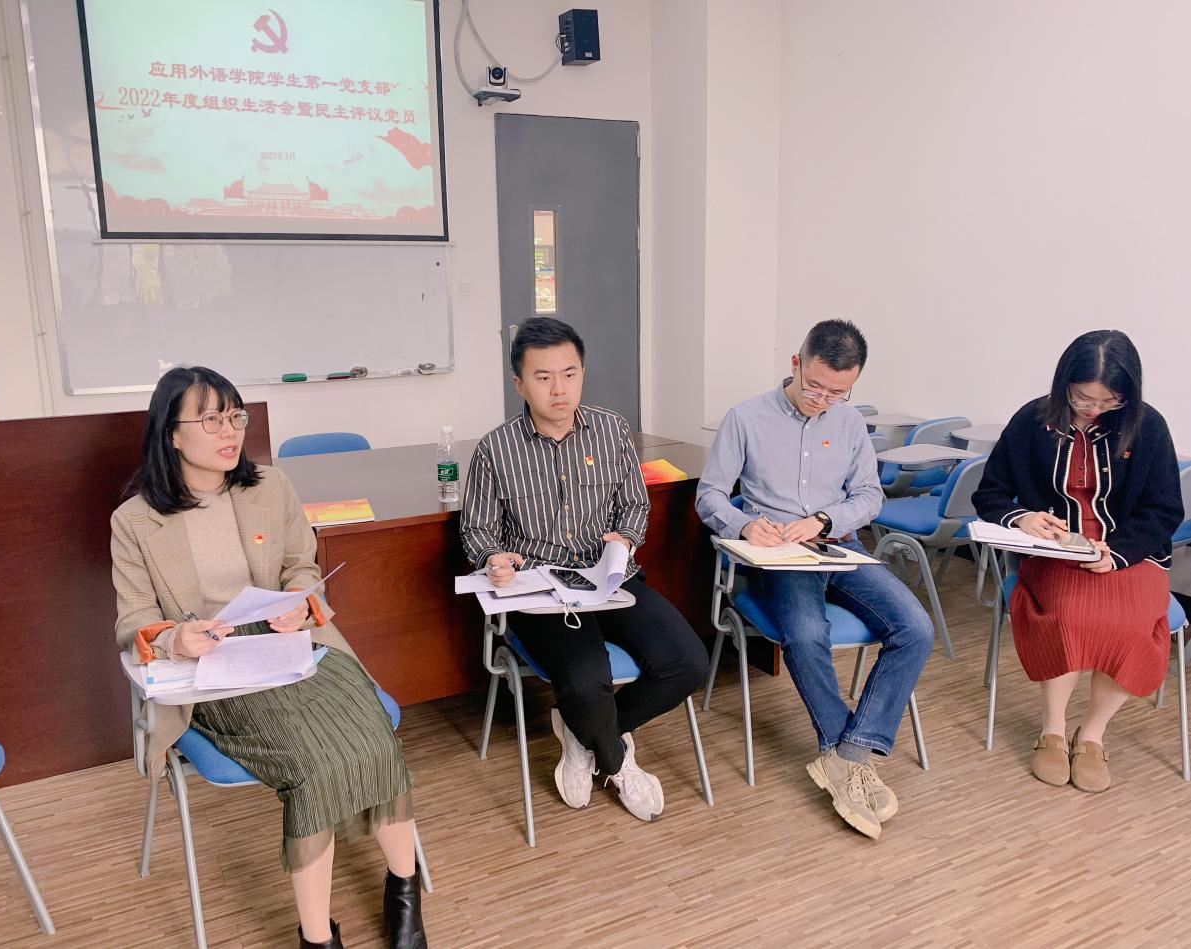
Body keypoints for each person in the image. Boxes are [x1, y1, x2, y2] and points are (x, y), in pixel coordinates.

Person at [110, 367, 426, 949]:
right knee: (313, 765)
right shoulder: (134, 521)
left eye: (236, 416)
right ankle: (316, 936)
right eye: (211, 419)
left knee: (376, 737)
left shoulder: (270, 486)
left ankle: (404, 892)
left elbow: (301, 567)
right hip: (214, 667)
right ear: (171, 433)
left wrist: (301, 603)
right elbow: (133, 623)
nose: (230, 431)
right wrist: (176, 638)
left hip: (293, 645)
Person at [460, 317, 709, 822]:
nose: (559, 389)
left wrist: (626, 538)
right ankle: (617, 762)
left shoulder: (611, 430)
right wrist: (492, 557)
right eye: (543, 377)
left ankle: (585, 732)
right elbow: (477, 530)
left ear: (582, 374)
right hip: (542, 590)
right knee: (584, 679)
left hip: (609, 576)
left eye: (569, 374)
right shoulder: (495, 449)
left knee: (688, 662)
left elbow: (634, 505)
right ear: (519, 384)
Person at [696, 319, 934, 840]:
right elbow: (709, 495)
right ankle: (846, 757)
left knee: (916, 628)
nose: (822, 400)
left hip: (838, 545)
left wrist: (826, 520)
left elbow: (869, 495)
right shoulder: (746, 418)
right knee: (806, 634)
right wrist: (744, 524)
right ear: (796, 364)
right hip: (778, 554)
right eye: (814, 387)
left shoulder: (848, 423)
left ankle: (847, 754)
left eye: (837, 393)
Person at [972, 330, 1182, 793]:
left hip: (1130, 556)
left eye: (1108, 401)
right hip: (1057, 553)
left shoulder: (1147, 426)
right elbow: (989, 493)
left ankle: (1091, 735)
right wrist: (1022, 517)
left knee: (1131, 625)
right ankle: (1052, 727)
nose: (1093, 409)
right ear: (1063, 382)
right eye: (1083, 397)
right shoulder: (1032, 421)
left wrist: (1118, 552)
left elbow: (1164, 511)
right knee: (1067, 614)